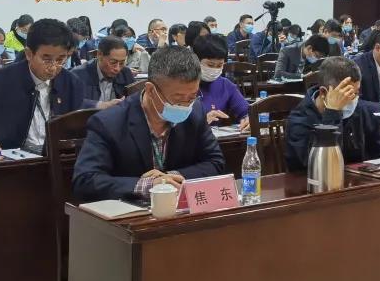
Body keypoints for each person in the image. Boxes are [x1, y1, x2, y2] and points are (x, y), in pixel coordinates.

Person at [71, 46, 226, 202]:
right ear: (151, 90)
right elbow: (85, 181)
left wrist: (170, 178)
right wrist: (147, 185)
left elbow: (215, 162)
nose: (185, 105)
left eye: (192, 97)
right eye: (178, 99)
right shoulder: (108, 122)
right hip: (130, 210)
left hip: (180, 207)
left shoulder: (195, 112)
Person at [0, 18, 85, 157]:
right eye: (47, 59)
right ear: (29, 54)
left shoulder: (72, 84)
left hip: (58, 160)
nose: (54, 67)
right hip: (9, 161)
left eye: (61, 59)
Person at [285, 56, 380, 171]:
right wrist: (332, 113)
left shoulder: (361, 110)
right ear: (323, 93)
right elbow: (316, 166)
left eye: (355, 93)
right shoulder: (299, 119)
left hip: (358, 178)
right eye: (345, 94)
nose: (352, 99)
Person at [193, 34, 250, 129]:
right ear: (196, 61)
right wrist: (200, 122)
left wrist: (248, 118)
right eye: (210, 65)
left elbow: (246, 111)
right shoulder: (184, 86)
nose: (214, 69)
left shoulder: (226, 85)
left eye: (220, 65)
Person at [74, 36, 135, 110]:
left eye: (122, 63)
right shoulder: (78, 75)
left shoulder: (125, 73)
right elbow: (71, 102)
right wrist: (101, 105)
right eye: (113, 62)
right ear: (99, 55)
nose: (117, 68)